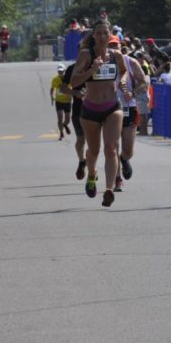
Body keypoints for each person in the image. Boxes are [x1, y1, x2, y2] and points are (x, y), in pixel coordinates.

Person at [70, 19, 127, 207]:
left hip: (112, 107)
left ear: (110, 34)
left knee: (111, 148)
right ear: (93, 35)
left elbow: (124, 71)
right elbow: (74, 81)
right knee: (93, 150)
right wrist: (92, 69)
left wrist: (124, 82)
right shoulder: (86, 54)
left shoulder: (115, 55)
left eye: (106, 33)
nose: (102, 37)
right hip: (91, 109)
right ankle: (92, 174)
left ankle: (109, 189)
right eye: (99, 33)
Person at [116, 43, 148, 191]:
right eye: (110, 45)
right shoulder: (100, 61)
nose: (113, 48)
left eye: (115, 45)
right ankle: (117, 179)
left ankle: (124, 159)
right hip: (109, 108)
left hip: (129, 107)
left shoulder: (130, 62)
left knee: (128, 150)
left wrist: (133, 93)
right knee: (112, 146)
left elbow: (143, 82)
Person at [60, 61, 87, 179]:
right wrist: (75, 92)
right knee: (80, 140)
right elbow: (63, 88)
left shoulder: (98, 66)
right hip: (78, 110)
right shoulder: (72, 68)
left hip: (96, 110)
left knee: (93, 143)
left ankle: (92, 170)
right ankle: (82, 161)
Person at [50, 62, 72, 140]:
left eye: (62, 71)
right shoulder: (55, 79)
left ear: (64, 71)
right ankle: (61, 133)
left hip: (67, 101)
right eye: (59, 71)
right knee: (59, 118)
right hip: (59, 101)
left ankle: (65, 125)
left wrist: (71, 95)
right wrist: (52, 97)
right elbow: (52, 89)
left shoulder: (69, 78)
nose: (60, 73)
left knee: (67, 119)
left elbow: (72, 88)